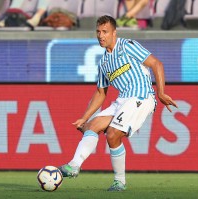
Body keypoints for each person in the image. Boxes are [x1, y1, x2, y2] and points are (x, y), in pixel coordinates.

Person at [58, 15, 177, 192]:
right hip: (123, 99)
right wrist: (85, 117)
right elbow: (100, 93)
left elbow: (156, 64)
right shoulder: (104, 63)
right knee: (91, 126)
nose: (100, 36)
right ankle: (74, 165)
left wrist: (160, 92)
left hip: (141, 96)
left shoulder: (127, 46)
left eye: (105, 32)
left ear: (114, 33)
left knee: (113, 133)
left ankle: (119, 181)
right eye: (98, 32)